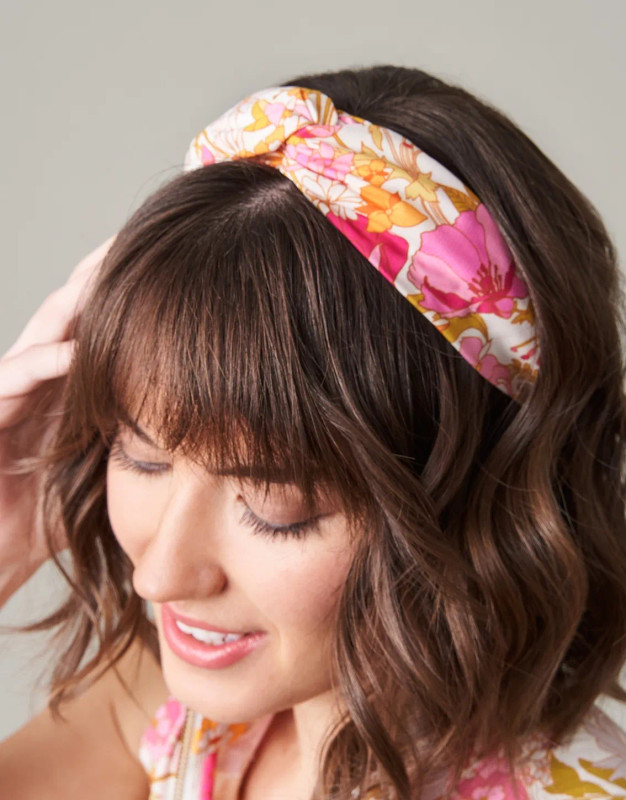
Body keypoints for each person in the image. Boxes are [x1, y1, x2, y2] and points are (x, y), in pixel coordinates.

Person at [0, 63, 625, 800]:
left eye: (275, 507)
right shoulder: (171, 709)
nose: (160, 576)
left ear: (468, 495)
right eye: (140, 457)